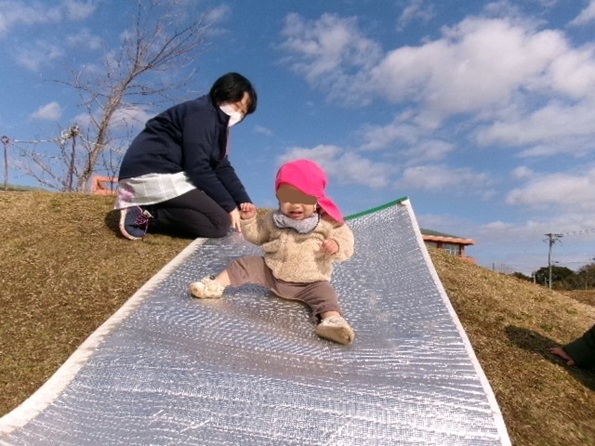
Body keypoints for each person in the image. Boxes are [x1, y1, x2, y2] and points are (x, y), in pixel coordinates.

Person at [188, 159, 356, 345]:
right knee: (246, 264)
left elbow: (346, 240)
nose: (295, 205)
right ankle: (214, 286)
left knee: (326, 295)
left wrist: (336, 245)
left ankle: (332, 321)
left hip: (311, 282)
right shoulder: (274, 219)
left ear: (316, 200)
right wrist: (249, 220)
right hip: (272, 273)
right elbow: (258, 235)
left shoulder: (328, 222)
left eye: (304, 198)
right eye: (288, 197)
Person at [114, 72, 258, 240]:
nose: (237, 114)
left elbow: (221, 166)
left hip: (168, 173)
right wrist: (230, 206)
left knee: (219, 214)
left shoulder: (218, 126)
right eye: (236, 105)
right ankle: (148, 212)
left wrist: (243, 201)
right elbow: (197, 168)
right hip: (149, 173)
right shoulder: (201, 113)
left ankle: (150, 209)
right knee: (219, 223)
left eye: (242, 112)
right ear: (222, 93)